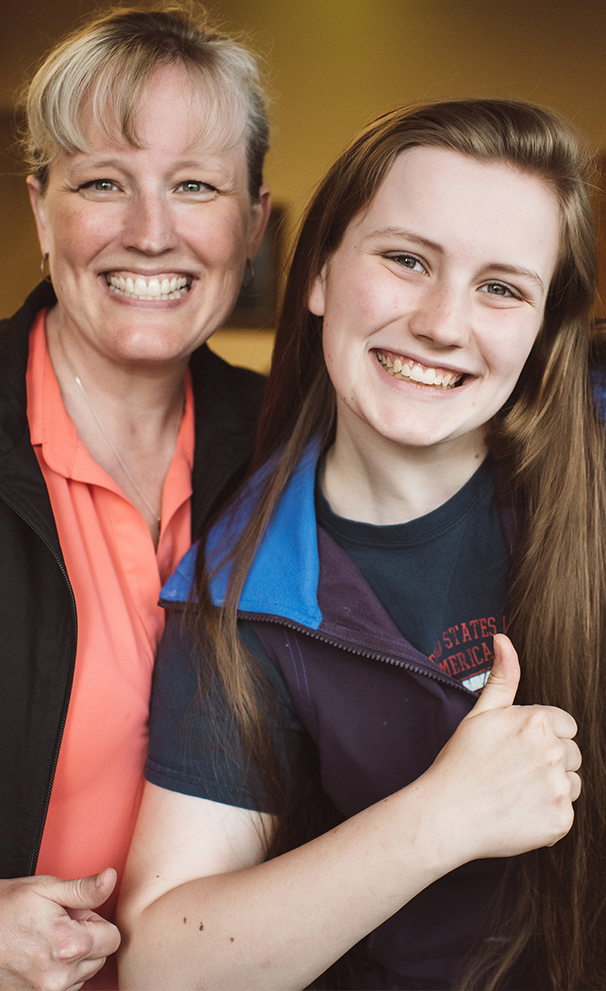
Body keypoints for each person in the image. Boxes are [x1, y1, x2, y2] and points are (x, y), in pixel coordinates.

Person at [117, 99, 606, 991]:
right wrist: (438, 817)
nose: (441, 322)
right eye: (406, 259)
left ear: (545, 327)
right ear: (319, 274)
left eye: (501, 286)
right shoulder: (238, 594)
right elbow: (167, 963)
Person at [0, 6, 271, 989]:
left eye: (194, 186)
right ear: (41, 207)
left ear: (251, 223)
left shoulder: (304, 452)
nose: (150, 233)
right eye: (103, 183)